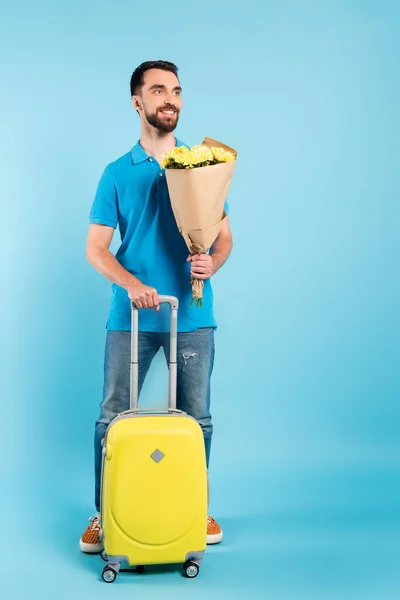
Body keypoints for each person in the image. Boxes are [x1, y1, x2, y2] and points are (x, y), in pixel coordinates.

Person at [79, 60, 233, 553]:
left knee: (196, 419)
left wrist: (211, 263)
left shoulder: (201, 166)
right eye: (159, 90)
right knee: (113, 417)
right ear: (137, 101)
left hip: (191, 315)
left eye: (177, 91)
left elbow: (223, 240)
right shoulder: (117, 173)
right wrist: (131, 285)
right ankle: (106, 514)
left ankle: (194, 505)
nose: (171, 99)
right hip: (132, 317)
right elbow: (96, 248)